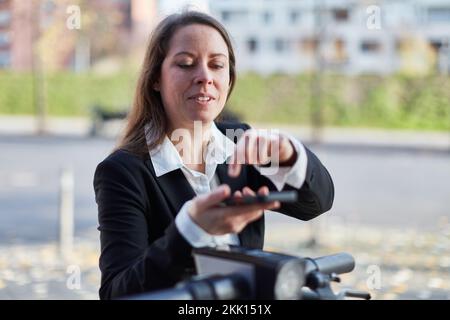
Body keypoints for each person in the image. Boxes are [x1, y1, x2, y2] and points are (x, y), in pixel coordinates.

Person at [93, 11, 334, 300]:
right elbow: (118, 293)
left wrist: (289, 156)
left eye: (217, 65)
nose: (205, 77)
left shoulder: (241, 143)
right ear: (155, 77)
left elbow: (316, 203)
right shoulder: (124, 171)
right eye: (185, 64)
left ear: (228, 78)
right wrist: (190, 230)